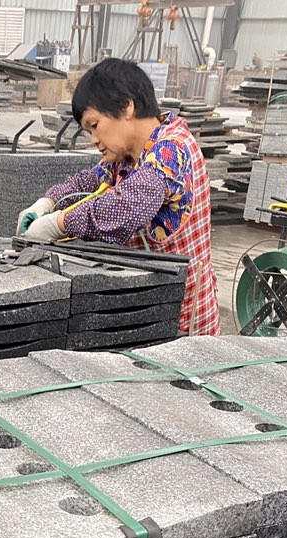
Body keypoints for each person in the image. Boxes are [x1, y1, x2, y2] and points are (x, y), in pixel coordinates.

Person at [17, 57, 220, 336]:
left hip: (182, 321)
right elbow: (87, 182)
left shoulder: (172, 149)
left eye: (95, 125)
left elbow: (128, 206)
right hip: (146, 308)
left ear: (126, 106)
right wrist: (48, 202)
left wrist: (59, 224)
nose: (93, 139)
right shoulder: (126, 156)